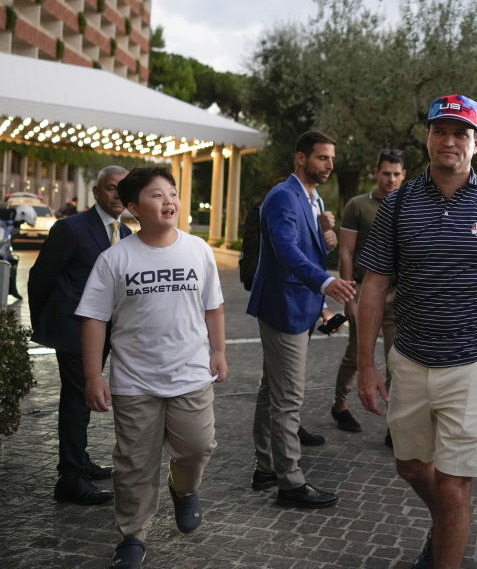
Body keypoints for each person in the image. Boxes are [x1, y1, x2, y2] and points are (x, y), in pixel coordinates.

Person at [356, 94, 477, 569]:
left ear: (476, 143)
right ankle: (446, 526)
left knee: (456, 486)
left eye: (461, 133)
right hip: (410, 358)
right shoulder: (396, 206)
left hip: (474, 363)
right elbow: (373, 285)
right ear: (428, 137)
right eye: (441, 130)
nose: (449, 141)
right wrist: (366, 365)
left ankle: (446, 543)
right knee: (411, 466)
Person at [77, 167, 227, 569]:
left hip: (191, 374)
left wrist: (219, 351)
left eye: (172, 193)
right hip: (134, 381)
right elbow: (94, 318)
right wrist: (93, 375)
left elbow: (213, 305)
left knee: (197, 447)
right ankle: (132, 534)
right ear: (132, 208)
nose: (169, 200)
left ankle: (184, 488)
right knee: (134, 464)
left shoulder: (198, 250)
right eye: (156, 194)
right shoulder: (114, 259)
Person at [246, 130, 356, 508]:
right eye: (322, 158)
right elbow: (286, 251)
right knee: (289, 397)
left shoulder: (313, 197)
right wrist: (326, 282)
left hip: (302, 305)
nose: (329, 165)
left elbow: (313, 247)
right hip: (284, 306)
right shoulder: (282, 196)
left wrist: (326, 231)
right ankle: (290, 482)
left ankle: (265, 466)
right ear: (300, 158)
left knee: (271, 389)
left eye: (331, 158)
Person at [28, 165, 130, 506]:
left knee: (81, 399)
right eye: (112, 188)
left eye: (124, 189)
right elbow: (40, 278)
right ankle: (70, 478)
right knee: (77, 397)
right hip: (73, 329)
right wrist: (50, 322)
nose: (119, 194)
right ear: (98, 192)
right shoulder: (71, 228)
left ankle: (78, 461)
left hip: (103, 331)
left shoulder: (127, 234)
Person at [330, 148, 406, 435]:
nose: (390, 179)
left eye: (396, 174)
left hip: (399, 294)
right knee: (356, 353)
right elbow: (346, 253)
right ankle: (339, 405)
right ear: (376, 172)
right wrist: (350, 295)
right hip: (364, 290)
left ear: (404, 175)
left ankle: (395, 425)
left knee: (396, 358)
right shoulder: (357, 206)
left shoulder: (409, 205)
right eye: (386, 173)